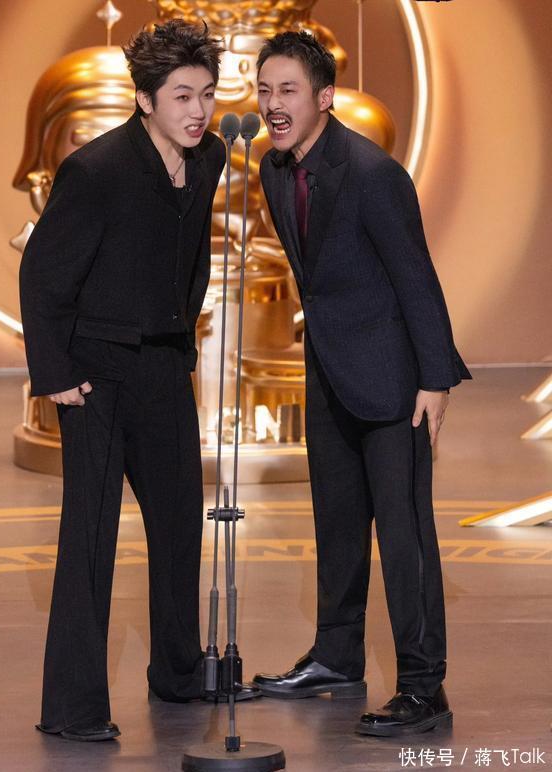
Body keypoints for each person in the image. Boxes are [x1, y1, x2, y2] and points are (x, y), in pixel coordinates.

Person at [19, 20, 257, 743]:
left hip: (162, 368)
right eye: (182, 96)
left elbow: (190, 256)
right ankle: (72, 709)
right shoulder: (96, 171)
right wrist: (56, 375)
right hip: (96, 375)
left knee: (180, 523)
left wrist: (182, 337)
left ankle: (179, 673)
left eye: (207, 94)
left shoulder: (209, 156)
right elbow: (42, 275)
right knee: (89, 539)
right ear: (146, 99)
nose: (198, 110)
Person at [252, 31, 471, 737]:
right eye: (264, 90)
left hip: (394, 380)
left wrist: (434, 380)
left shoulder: (373, 173)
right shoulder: (274, 170)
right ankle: (337, 656)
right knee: (337, 523)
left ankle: (423, 687)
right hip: (328, 373)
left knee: (404, 538)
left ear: (324, 98)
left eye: (288, 90)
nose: (273, 104)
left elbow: (416, 277)